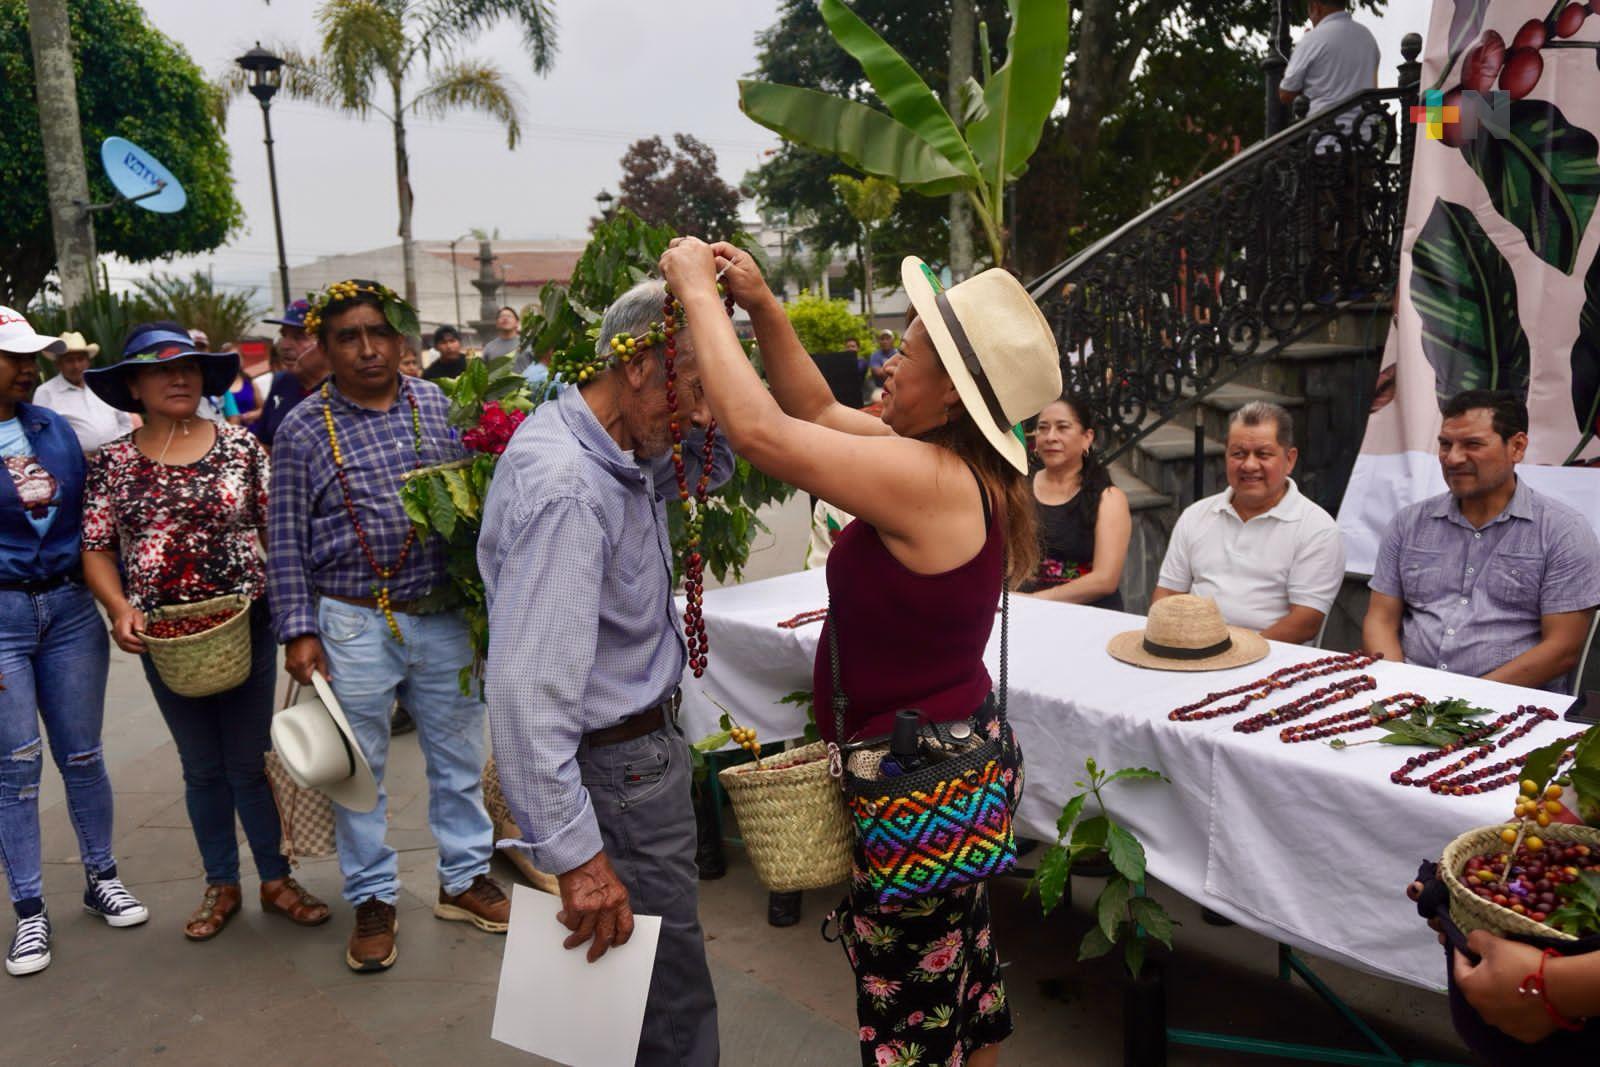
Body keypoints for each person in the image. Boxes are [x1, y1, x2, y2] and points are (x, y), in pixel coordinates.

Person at [658, 238, 1060, 1067]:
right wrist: (764, 305)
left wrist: (699, 292)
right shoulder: (951, 467)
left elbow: (761, 430)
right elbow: (812, 411)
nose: (884, 367)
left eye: (902, 354)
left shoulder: (928, 479)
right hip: (947, 779)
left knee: (910, 1027)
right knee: (966, 996)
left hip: (909, 791)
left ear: (950, 390)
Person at [479, 279, 733, 1064]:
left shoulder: (613, 443)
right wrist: (580, 859)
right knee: (663, 995)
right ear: (639, 366)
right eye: (690, 388)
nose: (698, 413)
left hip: (627, 765)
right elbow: (527, 694)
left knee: (625, 993)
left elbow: (710, 465)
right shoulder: (569, 489)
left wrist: (716, 375)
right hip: (617, 774)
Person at [268, 279, 506, 974]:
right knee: (358, 772)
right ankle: (373, 896)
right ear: (325, 346)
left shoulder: (437, 405)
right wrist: (297, 630)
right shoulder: (304, 427)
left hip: (441, 615)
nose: (367, 349)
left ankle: (463, 878)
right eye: (348, 336)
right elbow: (283, 537)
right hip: (349, 622)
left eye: (379, 333)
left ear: (402, 338)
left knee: (459, 756)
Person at [79, 323, 329, 941]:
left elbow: (279, 533)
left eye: (189, 368)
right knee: (201, 767)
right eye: (163, 370)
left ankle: (275, 879)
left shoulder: (241, 447)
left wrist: (303, 618)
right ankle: (221, 884)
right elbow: (96, 548)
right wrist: (119, 608)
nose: (179, 378)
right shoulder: (113, 464)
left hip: (246, 623)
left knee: (249, 760)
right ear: (134, 385)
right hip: (166, 640)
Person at [0, 307, 146, 978]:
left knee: (83, 755)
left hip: (68, 609)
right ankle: (30, 911)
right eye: (15, 357)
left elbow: (97, 514)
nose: (28, 367)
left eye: (32, 356)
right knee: (17, 768)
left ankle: (101, 876)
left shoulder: (52, 426)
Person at [1363, 390, 1600, 691]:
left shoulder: (1563, 532)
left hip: (1511, 708)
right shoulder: (1409, 523)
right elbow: (1380, 619)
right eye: (1445, 444)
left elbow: (1562, 650)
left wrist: (1460, 701)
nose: (1453, 458)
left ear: (1517, 447)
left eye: (1472, 444)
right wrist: (1397, 684)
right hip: (1407, 699)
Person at [1153, 401, 1344, 643]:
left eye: (1263, 454)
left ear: (1290, 459)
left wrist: (1238, 651)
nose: (1249, 465)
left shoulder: (1317, 529)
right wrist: (1171, 637)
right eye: (1238, 453)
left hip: (1271, 659)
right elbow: (1168, 592)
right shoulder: (1196, 515)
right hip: (1191, 647)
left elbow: (1305, 621)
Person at [1022, 394, 1131, 610]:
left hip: (1088, 615)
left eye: (1062, 428)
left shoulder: (1108, 498)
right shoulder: (1019, 489)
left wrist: (1038, 601)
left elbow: (1105, 580)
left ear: (1087, 438)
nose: (1050, 437)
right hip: (1022, 612)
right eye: (1043, 428)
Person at [29, 331, 130, 455]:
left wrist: (117, 449)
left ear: (88, 362)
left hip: (116, 458)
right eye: (69, 361)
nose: (76, 366)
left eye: (80, 359)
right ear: (58, 364)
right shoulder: (46, 392)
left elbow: (125, 422)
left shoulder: (105, 385)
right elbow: (41, 434)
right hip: (75, 464)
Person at [1277, 0, 1380, 120]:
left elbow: (1286, 94)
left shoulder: (1312, 39)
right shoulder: (1367, 36)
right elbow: (1373, 86)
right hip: (1365, 132)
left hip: (1325, 132)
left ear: (1316, 7)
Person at [254, 300, 327, 449]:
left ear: (326, 343)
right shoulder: (282, 383)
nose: (285, 345)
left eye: (299, 336)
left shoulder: (343, 388)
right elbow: (264, 442)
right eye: (284, 335)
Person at [225, 343, 265, 427]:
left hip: (252, 431)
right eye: (230, 358)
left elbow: (264, 409)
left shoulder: (250, 383)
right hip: (229, 432)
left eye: (237, 357)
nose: (234, 361)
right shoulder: (220, 387)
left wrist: (252, 415)